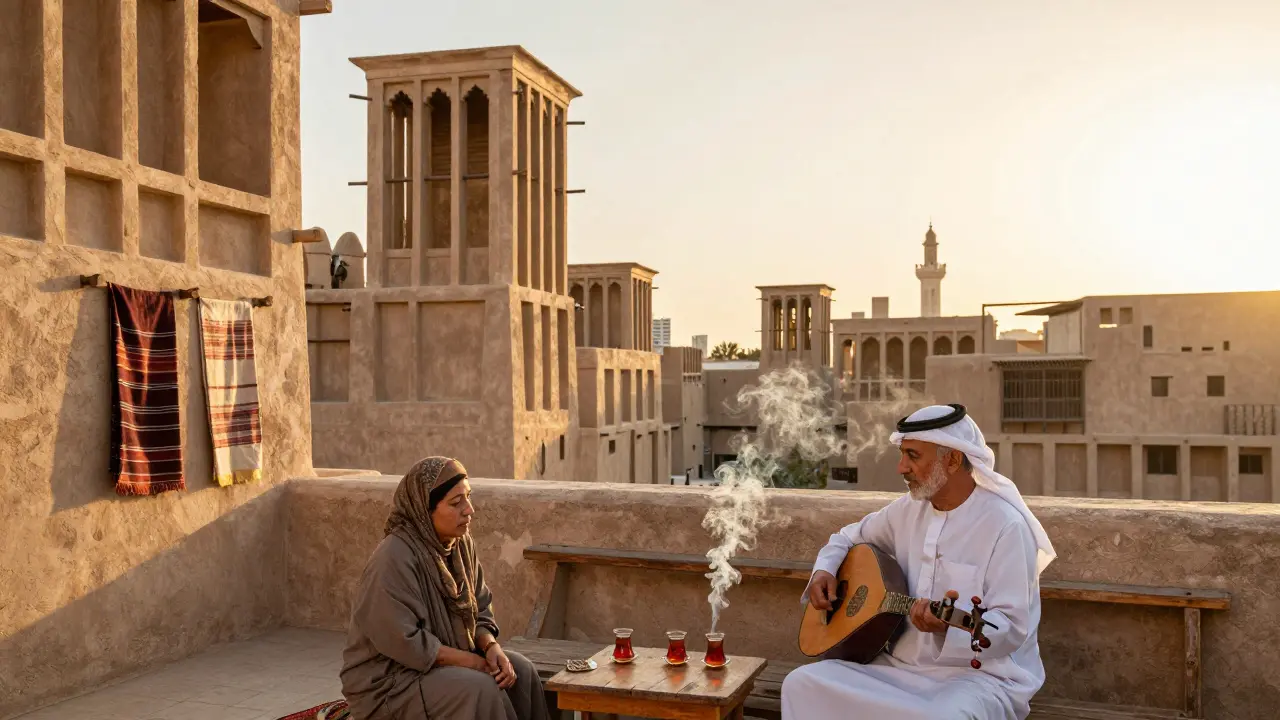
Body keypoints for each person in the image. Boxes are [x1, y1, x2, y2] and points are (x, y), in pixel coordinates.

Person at [781, 404, 1056, 720]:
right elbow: (845, 538)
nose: (901, 468)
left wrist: (947, 628)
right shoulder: (907, 511)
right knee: (802, 684)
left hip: (976, 678)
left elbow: (1011, 628)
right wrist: (824, 571)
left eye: (913, 456)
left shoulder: (1006, 526)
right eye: (903, 455)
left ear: (952, 459)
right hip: (897, 667)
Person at [340, 457, 550, 720]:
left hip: (448, 660)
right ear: (424, 510)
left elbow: (481, 607)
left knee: (522, 671)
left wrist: (491, 648)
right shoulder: (393, 557)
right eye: (455, 502)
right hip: (392, 680)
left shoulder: (460, 545)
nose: (469, 509)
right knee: (482, 689)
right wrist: (473, 662)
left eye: (468, 497)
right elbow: (406, 643)